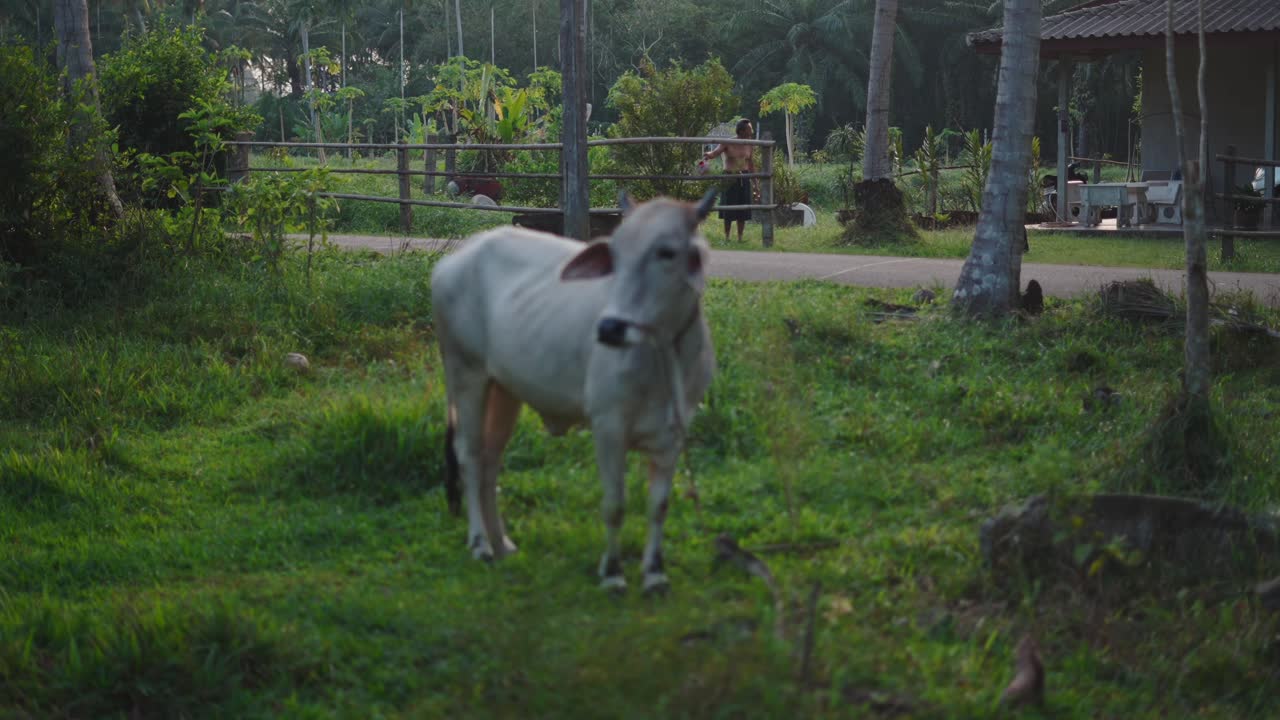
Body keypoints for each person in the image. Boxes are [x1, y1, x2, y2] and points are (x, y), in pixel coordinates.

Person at [703, 119, 758, 242]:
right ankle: (727, 237)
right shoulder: (727, 142)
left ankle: (740, 237)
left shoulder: (749, 144)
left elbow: (751, 164)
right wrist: (708, 155)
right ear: (742, 130)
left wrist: (755, 183)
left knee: (743, 209)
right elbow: (715, 153)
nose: (752, 131)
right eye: (749, 129)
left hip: (744, 177)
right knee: (728, 208)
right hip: (729, 177)